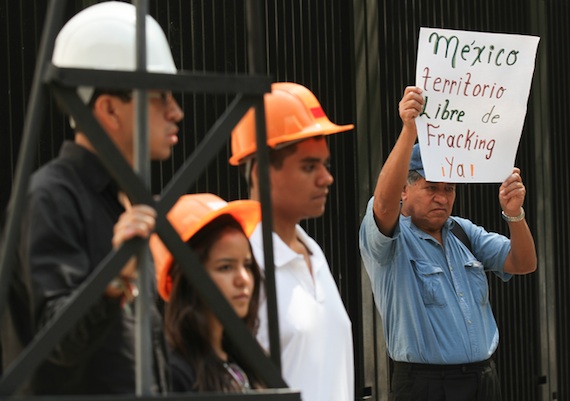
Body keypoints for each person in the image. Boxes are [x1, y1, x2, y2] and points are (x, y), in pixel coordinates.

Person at [1, 1, 184, 395]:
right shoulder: (51, 196)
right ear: (108, 109)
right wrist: (115, 277)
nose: (176, 112)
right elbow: (57, 340)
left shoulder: (124, 201)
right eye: (159, 97)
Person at [359, 86, 537, 401]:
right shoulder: (392, 242)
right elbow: (383, 206)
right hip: (425, 387)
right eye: (431, 188)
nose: (443, 198)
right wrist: (409, 130)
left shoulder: (462, 232)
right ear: (405, 190)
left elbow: (524, 264)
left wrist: (515, 215)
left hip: (483, 381)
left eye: (450, 188)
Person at [229, 82, 355, 401]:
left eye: (324, 165)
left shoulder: (312, 252)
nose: (326, 178)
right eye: (309, 166)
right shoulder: (242, 267)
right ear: (259, 173)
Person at [149, 193, 263, 392]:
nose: (243, 279)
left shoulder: (246, 358)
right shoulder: (174, 371)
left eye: (247, 265)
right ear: (188, 278)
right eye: (225, 267)